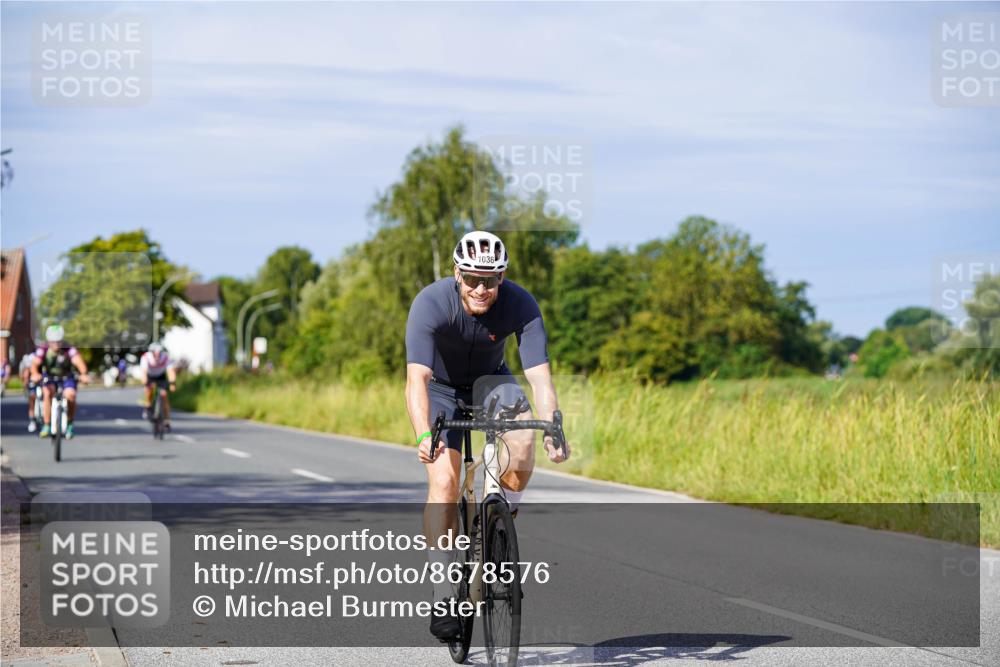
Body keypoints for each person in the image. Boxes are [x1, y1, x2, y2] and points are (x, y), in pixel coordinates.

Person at [405, 230, 571, 641]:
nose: (481, 288)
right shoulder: (430, 303)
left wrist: (553, 425)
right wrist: (424, 432)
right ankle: (444, 593)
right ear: (456, 274)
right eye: (473, 279)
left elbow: (539, 377)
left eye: (491, 280)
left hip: (491, 382)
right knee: (444, 482)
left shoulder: (521, 303)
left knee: (525, 442)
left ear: (503, 278)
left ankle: (499, 523)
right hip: (441, 390)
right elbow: (416, 380)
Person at [30, 325, 90, 439]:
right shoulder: (43, 349)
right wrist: (35, 374)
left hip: (67, 377)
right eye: (53, 342)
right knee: (47, 393)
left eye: (59, 342)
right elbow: (35, 363)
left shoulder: (69, 349)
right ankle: (47, 424)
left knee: (70, 395)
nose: (56, 345)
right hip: (50, 377)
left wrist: (83, 374)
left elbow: (79, 362)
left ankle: (70, 424)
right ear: (49, 341)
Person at [140, 343, 176, 429]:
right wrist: (145, 383)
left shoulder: (165, 357)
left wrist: (172, 383)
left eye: (159, 353)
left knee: (164, 395)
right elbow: (144, 372)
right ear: (151, 352)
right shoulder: (146, 357)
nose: (157, 355)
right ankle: (148, 405)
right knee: (149, 390)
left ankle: (167, 420)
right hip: (150, 376)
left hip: (161, 376)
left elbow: (171, 371)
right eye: (155, 353)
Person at [19, 350, 39, 432]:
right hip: (32, 381)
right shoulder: (29, 358)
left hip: (41, 380)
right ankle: (32, 421)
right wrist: (25, 382)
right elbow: (25, 373)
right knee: (32, 399)